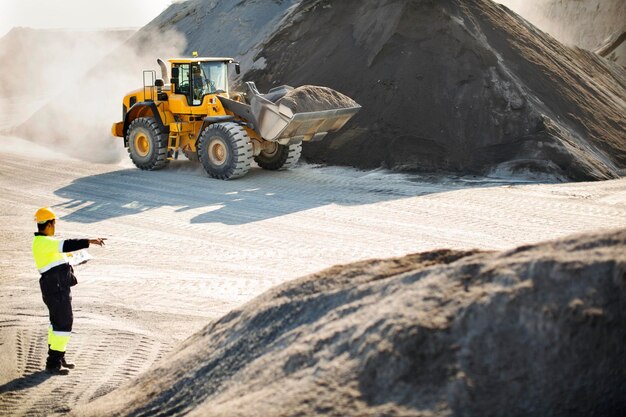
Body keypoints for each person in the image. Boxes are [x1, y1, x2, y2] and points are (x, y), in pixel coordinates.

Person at [31, 207, 106, 375]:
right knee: (63, 323)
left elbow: (58, 260)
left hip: (57, 288)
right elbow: (67, 244)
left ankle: (58, 356)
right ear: (49, 224)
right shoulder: (44, 242)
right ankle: (53, 364)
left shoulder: (44, 243)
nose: (55, 226)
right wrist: (89, 241)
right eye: (54, 223)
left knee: (57, 323)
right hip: (55, 290)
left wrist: (76, 262)